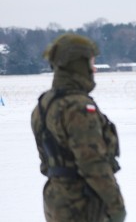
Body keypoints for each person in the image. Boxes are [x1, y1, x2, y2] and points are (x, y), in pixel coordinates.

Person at [31, 33, 126, 222]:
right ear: (77, 64)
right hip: (82, 202)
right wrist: (115, 205)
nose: (94, 69)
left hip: (56, 197)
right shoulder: (78, 107)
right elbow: (92, 163)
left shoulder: (44, 104)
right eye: (90, 63)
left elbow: (46, 162)